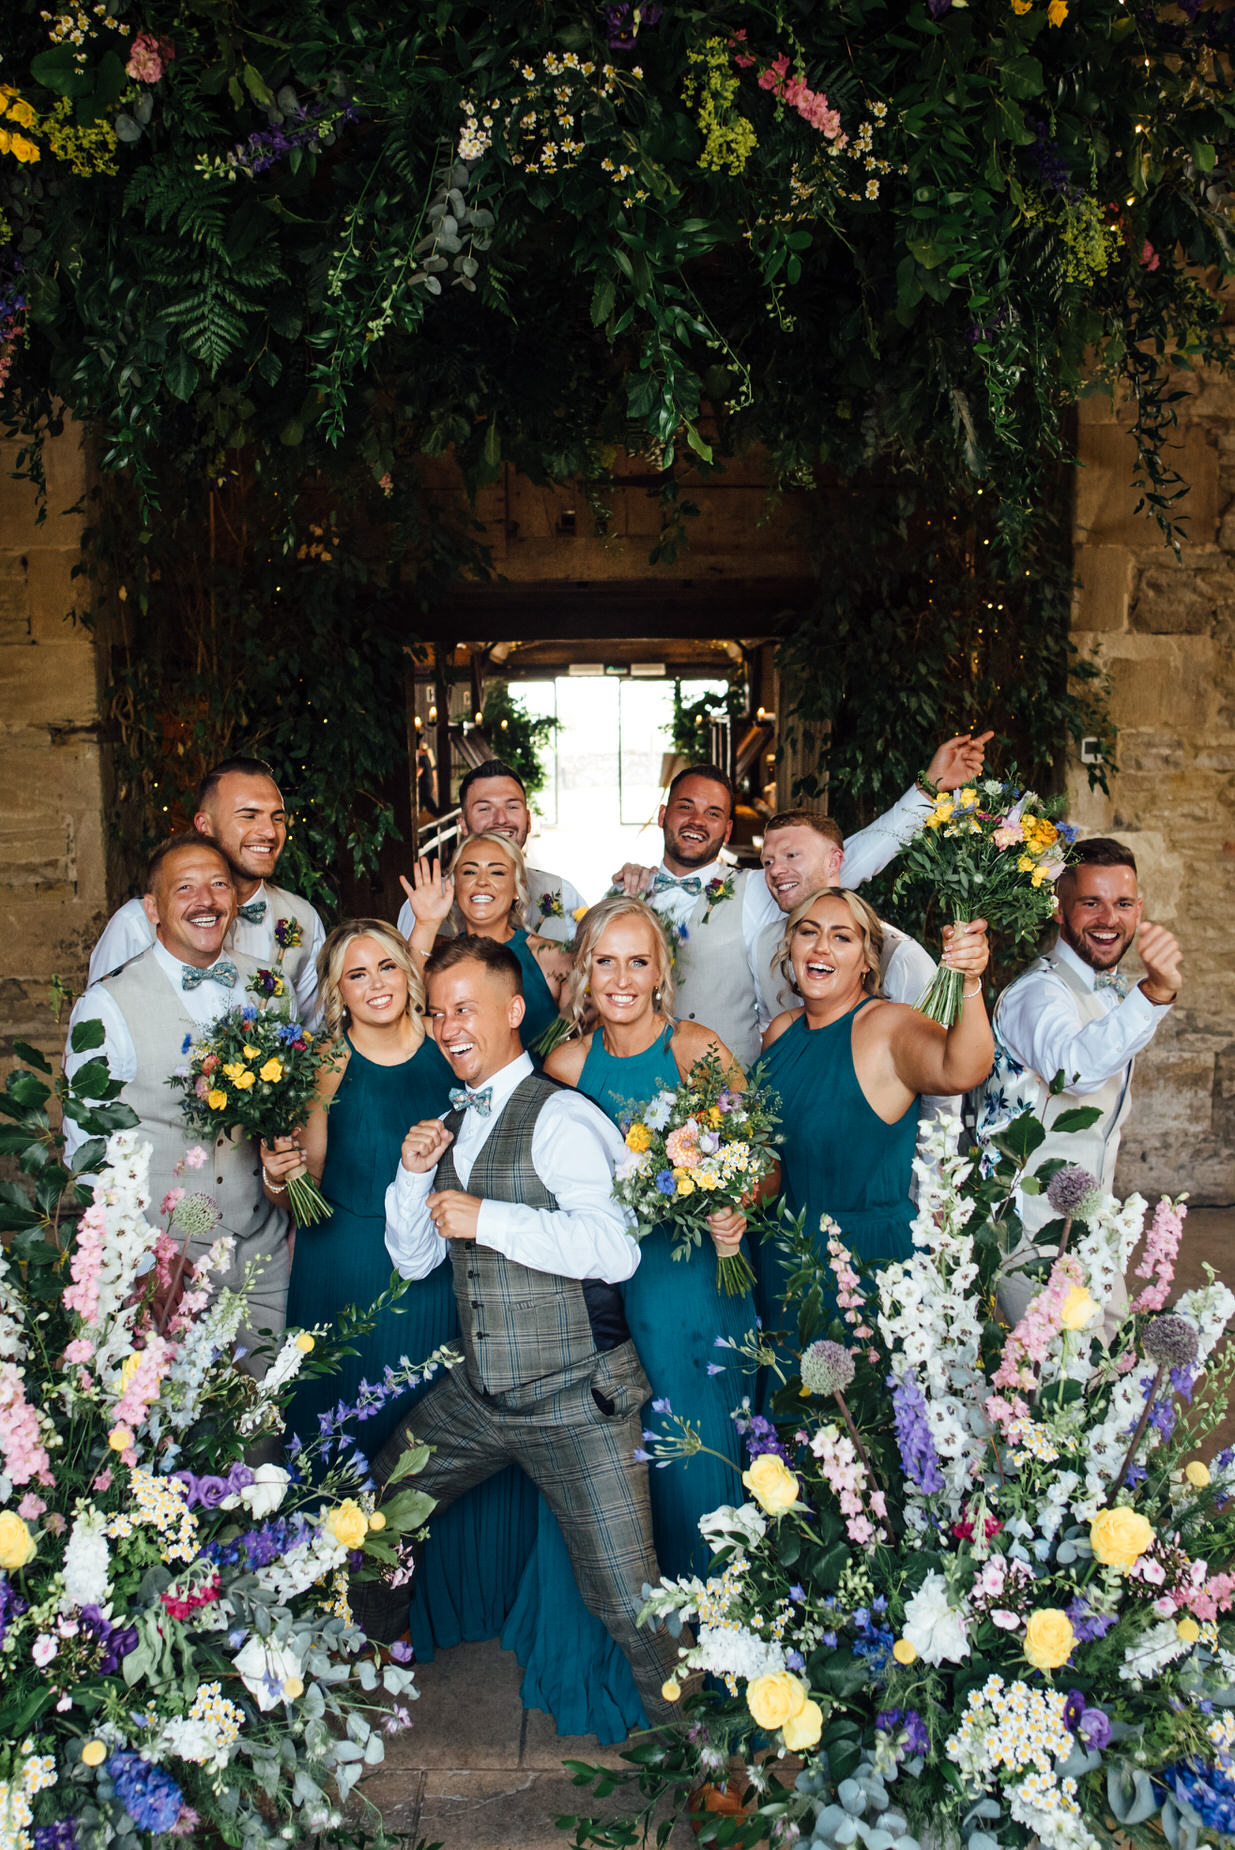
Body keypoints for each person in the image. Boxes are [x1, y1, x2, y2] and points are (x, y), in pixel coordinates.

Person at [352, 935, 683, 1728]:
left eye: (464, 1009)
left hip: (577, 1394)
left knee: (627, 1596)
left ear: (511, 1011)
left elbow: (615, 1249)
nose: (447, 1027)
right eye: (437, 1014)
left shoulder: (562, 1118)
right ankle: (375, 1650)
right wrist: (410, 1175)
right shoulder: (449, 1123)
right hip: (483, 1392)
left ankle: (704, 1752)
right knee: (383, 1503)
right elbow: (414, 1259)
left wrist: (488, 1217)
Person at [503, 897, 755, 1739]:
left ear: (662, 973)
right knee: (612, 1462)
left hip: (690, 1288)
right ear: (580, 972)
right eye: (602, 962)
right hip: (602, 1300)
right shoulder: (566, 1065)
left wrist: (738, 1208)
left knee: (692, 1455)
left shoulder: (697, 1050)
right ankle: (626, 1648)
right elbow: (531, 1178)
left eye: (636, 962)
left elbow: (758, 1163)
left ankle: (720, 1652)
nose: (619, 979)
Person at [264, 920, 536, 1662]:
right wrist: (280, 1178)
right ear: (336, 991)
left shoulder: (451, 1040)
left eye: (387, 965)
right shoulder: (322, 1059)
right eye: (357, 975)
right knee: (344, 1429)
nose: (377, 983)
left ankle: (451, 1598)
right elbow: (304, 1188)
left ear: (409, 973)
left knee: (431, 1431)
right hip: (344, 1266)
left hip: (438, 1263)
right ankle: (345, 1607)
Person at [612, 734, 993, 1068]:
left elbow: (843, 860)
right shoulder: (622, 893)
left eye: (713, 813)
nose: (697, 821)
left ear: (727, 830)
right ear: (663, 815)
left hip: (728, 1097)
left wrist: (928, 789)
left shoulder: (759, 888)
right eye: (685, 807)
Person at [64, 834, 291, 1351]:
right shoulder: (107, 1003)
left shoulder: (269, 987)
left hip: (263, 1254)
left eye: (218, 885)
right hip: (167, 1259)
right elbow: (86, 1147)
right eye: (184, 887)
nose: (205, 900)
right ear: (153, 908)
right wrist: (140, 1260)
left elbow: (287, 1114)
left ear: (234, 899)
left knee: (267, 1417)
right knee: (175, 1424)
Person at [756, 887, 992, 1378]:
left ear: (866, 960)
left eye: (841, 937)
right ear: (790, 946)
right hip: (781, 1262)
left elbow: (961, 1067)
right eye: (808, 932)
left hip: (864, 1266)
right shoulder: (781, 1031)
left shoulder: (889, 1025)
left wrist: (969, 984)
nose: (821, 949)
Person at [981, 837, 1182, 1328]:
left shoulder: (1107, 992)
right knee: (1054, 1386)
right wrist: (1153, 992)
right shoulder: (1037, 993)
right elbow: (1072, 1071)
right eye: (1091, 902)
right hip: (1030, 1232)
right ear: (1059, 908)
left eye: (1123, 904)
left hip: (1089, 1227)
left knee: (1105, 1373)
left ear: (1140, 910)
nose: (1108, 918)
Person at [756, 810, 959, 1136]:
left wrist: (931, 1183)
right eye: (767, 862)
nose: (776, 870)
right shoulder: (765, 944)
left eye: (791, 855)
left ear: (834, 861)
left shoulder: (903, 959)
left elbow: (941, 1095)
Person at [88, 756, 327, 1025]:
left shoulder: (302, 918)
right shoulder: (135, 923)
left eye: (277, 818)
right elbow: (100, 1031)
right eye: (249, 816)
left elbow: (312, 1035)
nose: (269, 832)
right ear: (205, 826)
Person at [399, 835, 571, 1051]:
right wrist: (426, 923)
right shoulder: (437, 955)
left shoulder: (555, 957)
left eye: (497, 872)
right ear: (454, 885)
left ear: (518, 888)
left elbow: (585, 1044)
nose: (481, 881)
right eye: (469, 872)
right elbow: (401, 1015)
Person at [396, 758, 585, 943]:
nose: (501, 819)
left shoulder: (562, 894)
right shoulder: (422, 903)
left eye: (511, 807)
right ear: (463, 824)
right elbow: (406, 971)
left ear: (528, 819)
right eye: (485, 809)